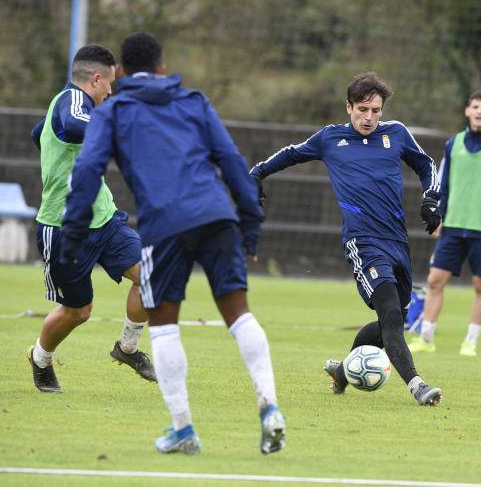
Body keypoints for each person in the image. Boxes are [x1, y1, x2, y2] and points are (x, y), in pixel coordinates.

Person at [61, 31, 285, 454]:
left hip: (164, 226)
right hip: (217, 216)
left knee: (164, 325)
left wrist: (73, 235)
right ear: (162, 68)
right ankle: (270, 407)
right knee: (239, 313)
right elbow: (233, 161)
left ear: (121, 72)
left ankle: (183, 429)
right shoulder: (194, 100)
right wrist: (250, 222)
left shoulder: (114, 111)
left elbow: (89, 171)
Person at [250, 72, 444, 406]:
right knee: (392, 316)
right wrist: (256, 173)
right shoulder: (330, 139)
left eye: (376, 110)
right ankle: (417, 385)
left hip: (397, 243)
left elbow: (427, 165)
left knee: (390, 324)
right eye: (363, 110)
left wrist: (431, 199)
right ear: (348, 107)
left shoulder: (395, 134)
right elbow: (291, 153)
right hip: (363, 242)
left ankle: (342, 372)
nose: (369, 117)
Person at [27, 44, 156, 394]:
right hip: (64, 227)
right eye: (109, 84)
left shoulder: (80, 108)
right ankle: (40, 358)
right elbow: (69, 123)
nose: (110, 91)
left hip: (104, 218)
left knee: (150, 277)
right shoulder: (70, 101)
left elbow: (39, 133)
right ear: (95, 79)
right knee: (78, 311)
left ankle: (127, 348)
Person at [408, 90, 481, 357]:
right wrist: (438, 216)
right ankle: (426, 337)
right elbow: (443, 182)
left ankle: (470, 341)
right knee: (435, 280)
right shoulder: (453, 144)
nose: (479, 111)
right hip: (453, 225)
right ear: (467, 111)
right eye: (475, 106)